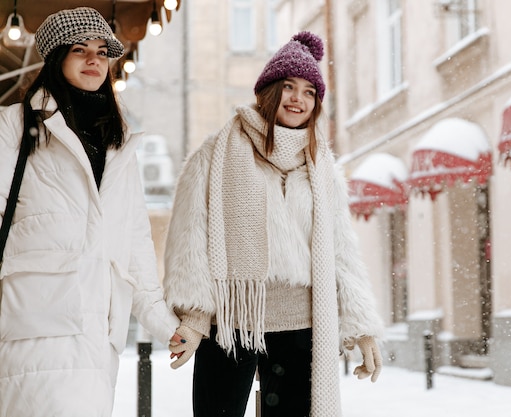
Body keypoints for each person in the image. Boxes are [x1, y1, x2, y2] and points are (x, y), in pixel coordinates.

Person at [163, 31, 385, 417]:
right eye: (288, 87)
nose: (298, 99)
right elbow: (190, 238)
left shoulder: (321, 167)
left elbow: (341, 251)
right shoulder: (216, 154)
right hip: (231, 321)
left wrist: (361, 327)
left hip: (301, 326)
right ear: (268, 91)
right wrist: (195, 316)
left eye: (309, 92)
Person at [0, 7, 182, 416]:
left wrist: (164, 323)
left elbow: (134, 242)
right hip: (34, 326)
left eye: (102, 51)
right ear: (56, 59)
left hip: (100, 336)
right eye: (80, 50)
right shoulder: (13, 126)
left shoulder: (118, 144)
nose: (94, 60)